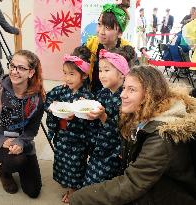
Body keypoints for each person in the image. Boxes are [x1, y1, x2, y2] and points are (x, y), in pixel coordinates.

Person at [70, 65, 196, 205]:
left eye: (132, 89)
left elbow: (133, 182)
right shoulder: (140, 115)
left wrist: (80, 198)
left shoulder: (162, 136)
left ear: (150, 94)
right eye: (124, 88)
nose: (123, 94)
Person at [0, 50, 45, 198]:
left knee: (33, 191)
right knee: (17, 161)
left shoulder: (37, 98)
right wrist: (0, 140)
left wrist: (21, 142)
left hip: (23, 144)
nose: (14, 71)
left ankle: (19, 164)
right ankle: (4, 172)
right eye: (12, 66)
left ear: (31, 72)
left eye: (21, 68)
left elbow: (32, 130)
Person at [44, 45, 95, 203]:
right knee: (61, 159)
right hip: (62, 135)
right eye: (65, 73)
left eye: (72, 74)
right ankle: (67, 182)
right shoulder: (60, 90)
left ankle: (74, 189)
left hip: (78, 139)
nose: (67, 78)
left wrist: (81, 112)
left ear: (84, 75)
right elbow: (47, 103)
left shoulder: (87, 96)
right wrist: (54, 108)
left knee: (76, 163)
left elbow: (92, 118)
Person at [83, 46, 135, 186]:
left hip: (114, 150)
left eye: (107, 70)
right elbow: (96, 109)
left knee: (106, 182)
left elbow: (123, 127)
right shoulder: (103, 92)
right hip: (99, 144)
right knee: (91, 176)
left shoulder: (125, 97)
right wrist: (87, 106)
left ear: (122, 74)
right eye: (100, 70)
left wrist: (103, 116)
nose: (102, 75)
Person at [85, 3, 130, 95]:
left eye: (107, 28)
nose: (101, 32)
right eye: (99, 24)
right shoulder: (91, 44)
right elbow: (77, 65)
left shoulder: (126, 50)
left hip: (115, 98)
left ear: (120, 33)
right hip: (91, 94)